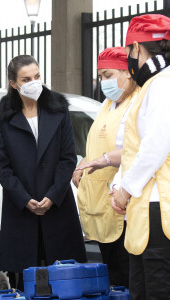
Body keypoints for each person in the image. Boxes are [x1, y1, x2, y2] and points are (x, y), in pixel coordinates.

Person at [0, 54, 87, 290]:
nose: (34, 82)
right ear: (13, 83)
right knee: (25, 282)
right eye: (26, 79)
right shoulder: (1, 114)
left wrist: (53, 196)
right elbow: (1, 165)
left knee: (64, 280)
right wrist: (25, 199)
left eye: (37, 76)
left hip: (58, 205)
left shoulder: (58, 108)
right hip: (21, 208)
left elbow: (67, 157)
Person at [110, 14, 170, 300]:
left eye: (129, 52)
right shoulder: (153, 85)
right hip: (146, 209)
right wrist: (120, 185)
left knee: (157, 290)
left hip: (159, 207)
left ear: (136, 48)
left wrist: (125, 189)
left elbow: (155, 145)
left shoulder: (162, 84)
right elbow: (136, 147)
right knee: (142, 289)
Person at [72, 47, 139, 288]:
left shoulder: (138, 103)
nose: (104, 82)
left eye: (109, 75)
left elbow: (140, 149)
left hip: (124, 203)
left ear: (128, 73)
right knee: (111, 277)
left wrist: (105, 159)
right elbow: (95, 145)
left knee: (127, 277)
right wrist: (82, 162)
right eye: (101, 77)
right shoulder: (106, 104)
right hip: (101, 203)